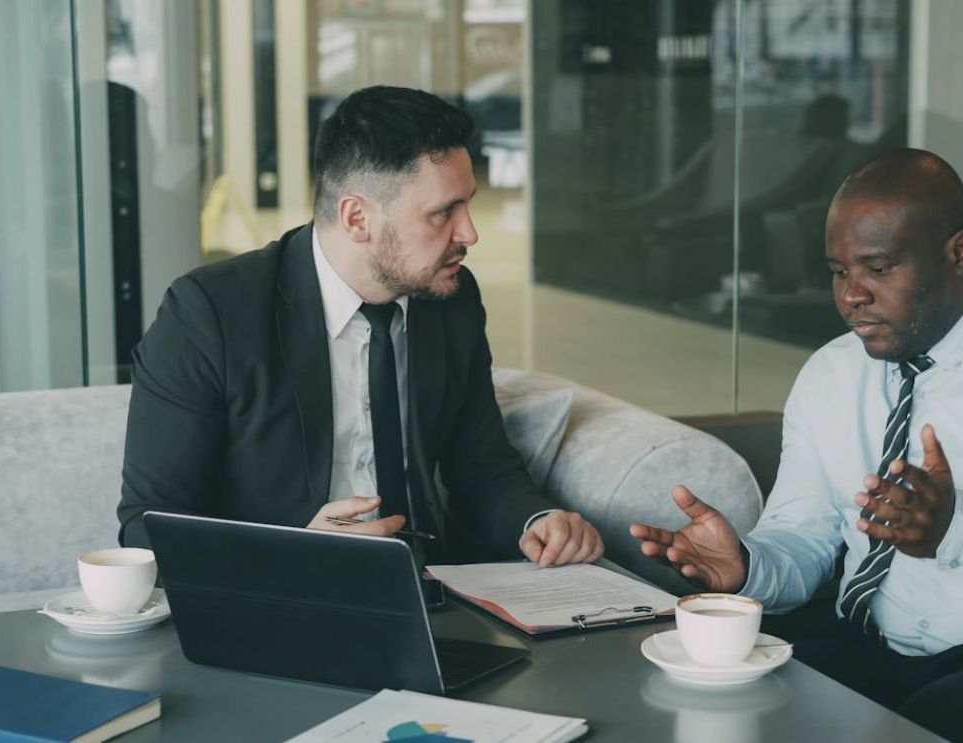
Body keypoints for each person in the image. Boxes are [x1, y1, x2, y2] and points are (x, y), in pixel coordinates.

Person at [631, 149, 963, 741]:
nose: (852, 294)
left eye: (878, 269)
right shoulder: (831, 373)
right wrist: (748, 567)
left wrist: (957, 530)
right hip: (876, 651)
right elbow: (803, 538)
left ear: (959, 252)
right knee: (711, 704)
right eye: (839, 271)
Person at [118, 85, 603, 570]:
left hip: (436, 589)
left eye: (467, 204)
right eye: (444, 212)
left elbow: (481, 464)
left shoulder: (450, 300)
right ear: (356, 218)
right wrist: (290, 550)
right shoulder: (210, 313)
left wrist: (536, 522)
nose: (470, 233)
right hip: (279, 596)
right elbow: (147, 524)